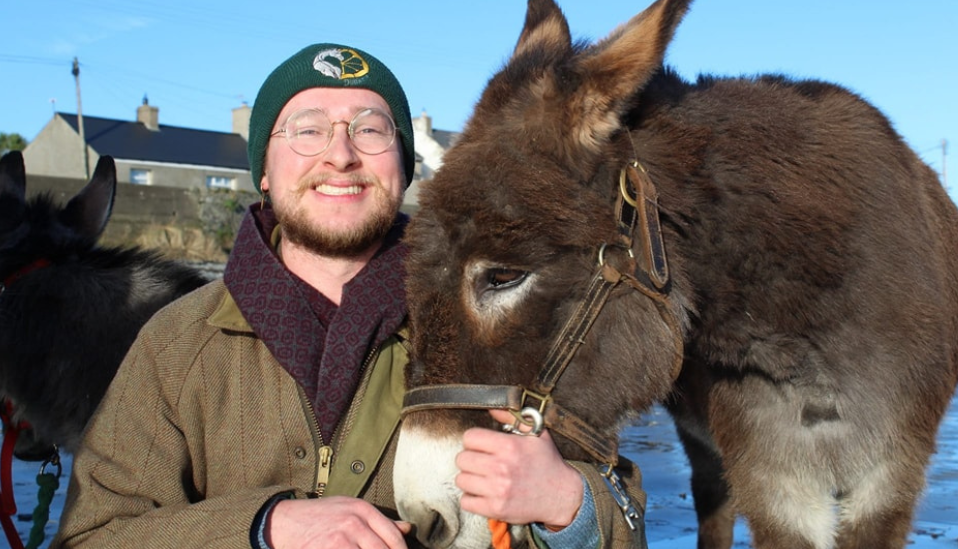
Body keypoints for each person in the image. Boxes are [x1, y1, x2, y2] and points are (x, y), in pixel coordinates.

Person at [52, 42, 646, 549]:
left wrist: (571, 506)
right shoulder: (175, 344)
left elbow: (626, 515)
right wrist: (264, 528)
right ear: (264, 169)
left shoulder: (503, 317)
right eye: (308, 129)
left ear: (403, 166)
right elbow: (92, 534)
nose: (340, 154)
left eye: (370, 128)